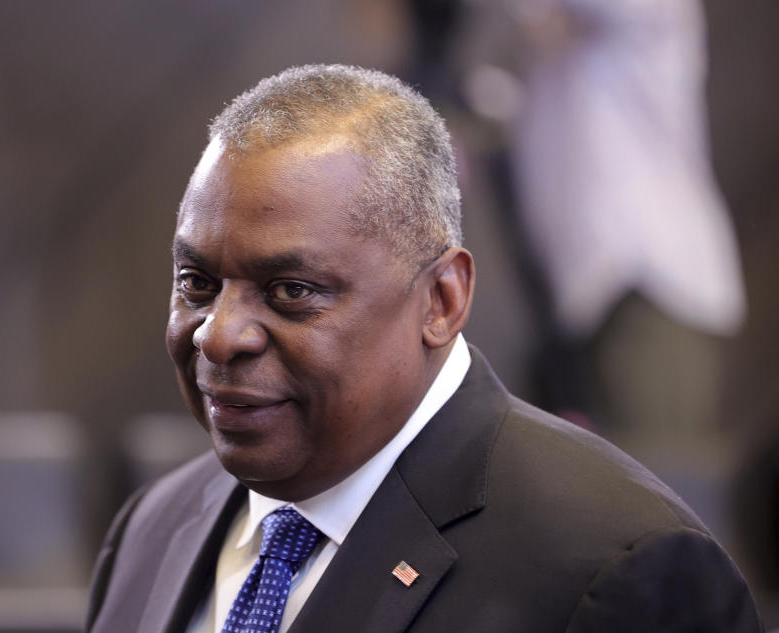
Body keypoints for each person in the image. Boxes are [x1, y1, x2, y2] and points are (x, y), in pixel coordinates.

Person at [85, 64, 761, 633]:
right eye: (198, 282)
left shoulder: (617, 571)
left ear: (441, 300)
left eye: (291, 289)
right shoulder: (153, 528)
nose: (218, 334)